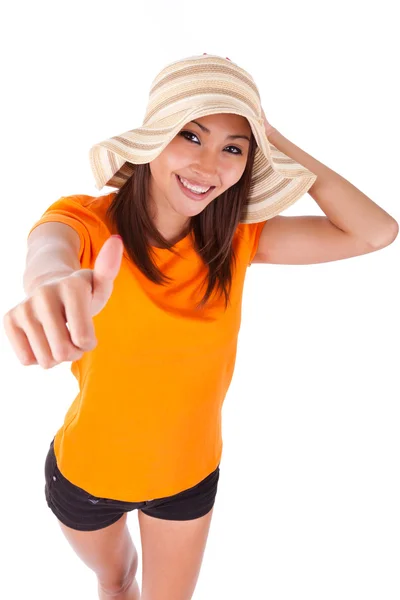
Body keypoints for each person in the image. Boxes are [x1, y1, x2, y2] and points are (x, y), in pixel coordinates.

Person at [3, 54, 397, 600]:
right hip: (86, 477)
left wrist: (271, 135)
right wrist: (50, 280)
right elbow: (48, 250)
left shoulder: (238, 239)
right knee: (116, 584)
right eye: (191, 135)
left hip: (187, 479)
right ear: (152, 139)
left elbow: (375, 232)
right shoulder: (87, 220)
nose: (210, 166)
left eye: (233, 147)